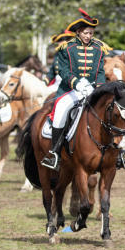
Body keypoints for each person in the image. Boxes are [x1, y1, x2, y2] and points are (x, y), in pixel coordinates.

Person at [41, 9, 108, 171]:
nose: (88, 36)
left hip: (92, 89)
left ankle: (117, 153)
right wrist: (76, 83)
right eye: (85, 33)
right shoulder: (67, 48)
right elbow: (63, 71)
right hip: (70, 89)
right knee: (60, 112)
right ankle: (55, 153)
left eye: (91, 33)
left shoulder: (99, 48)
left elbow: (99, 71)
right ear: (78, 32)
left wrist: (99, 87)